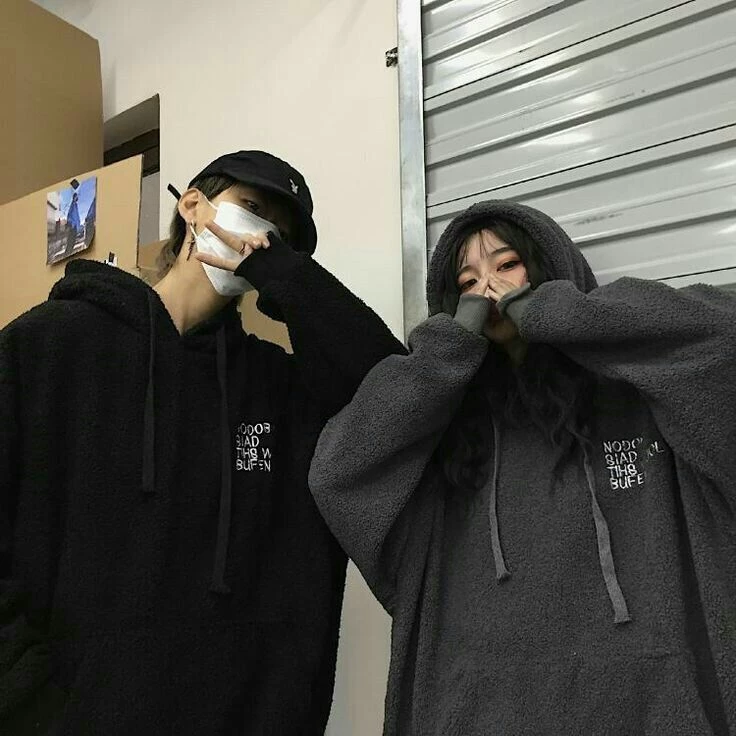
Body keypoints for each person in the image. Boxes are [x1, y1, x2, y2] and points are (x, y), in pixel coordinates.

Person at [0, 150, 404, 735]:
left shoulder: (278, 388)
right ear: (192, 205)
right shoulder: (51, 346)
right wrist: (31, 705)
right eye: (253, 208)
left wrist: (287, 279)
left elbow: (395, 395)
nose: (263, 237)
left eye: (282, 237)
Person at [309, 200, 736, 735]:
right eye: (467, 282)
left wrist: (559, 314)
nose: (487, 290)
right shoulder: (445, 427)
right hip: (478, 710)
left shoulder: (637, 394)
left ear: (547, 267)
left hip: (653, 704)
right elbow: (338, 471)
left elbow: (723, 341)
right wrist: (445, 352)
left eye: (507, 265)